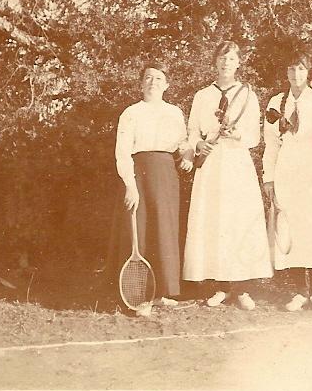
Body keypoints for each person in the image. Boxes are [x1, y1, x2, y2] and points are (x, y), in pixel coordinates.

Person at [181, 41, 273, 310]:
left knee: (238, 220)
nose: (225, 63)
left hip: (236, 163)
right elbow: (192, 133)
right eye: (222, 58)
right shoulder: (202, 96)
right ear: (215, 62)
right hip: (211, 164)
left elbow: (255, 138)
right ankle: (220, 286)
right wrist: (199, 145)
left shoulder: (247, 95)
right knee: (215, 221)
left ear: (238, 63)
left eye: (231, 59)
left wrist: (238, 134)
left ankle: (242, 288)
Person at [114, 63, 193, 317]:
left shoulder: (175, 113)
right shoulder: (130, 113)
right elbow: (122, 152)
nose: (153, 82)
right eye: (148, 78)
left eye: (158, 78)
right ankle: (140, 295)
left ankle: (163, 293)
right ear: (141, 84)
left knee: (165, 229)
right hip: (139, 174)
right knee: (141, 228)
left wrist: (188, 154)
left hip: (166, 174)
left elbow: (182, 144)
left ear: (167, 84)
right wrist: (130, 184)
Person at [263, 50, 312, 312]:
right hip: (286, 166)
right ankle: (299, 291)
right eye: (291, 69)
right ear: (286, 73)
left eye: (301, 69)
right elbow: (270, 144)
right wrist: (268, 178)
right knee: (288, 225)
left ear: (309, 71)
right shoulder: (276, 101)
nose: (296, 74)